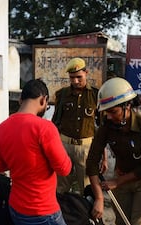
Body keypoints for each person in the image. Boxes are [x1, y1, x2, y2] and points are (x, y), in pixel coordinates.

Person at [0, 79, 72, 225]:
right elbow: (64, 169)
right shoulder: (45, 128)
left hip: (16, 207)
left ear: (21, 99)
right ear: (44, 100)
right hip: (43, 210)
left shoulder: (0, 129)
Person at [86, 77, 141, 225]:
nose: (109, 116)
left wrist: (116, 182)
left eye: (113, 111)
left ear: (127, 106)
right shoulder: (106, 126)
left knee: (137, 223)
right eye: (106, 112)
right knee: (121, 222)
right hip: (121, 178)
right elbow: (92, 162)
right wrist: (99, 198)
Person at [52, 57, 101, 195]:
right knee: (60, 187)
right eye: (72, 77)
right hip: (64, 145)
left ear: (86, 72)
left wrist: (102, 156)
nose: (75, 81)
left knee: (86, 187)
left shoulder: (96, 95)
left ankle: (85, 215)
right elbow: (55, 122)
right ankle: (62, 214)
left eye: (79, 77)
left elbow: (101, 127)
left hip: (85, 148)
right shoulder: (62, 95)